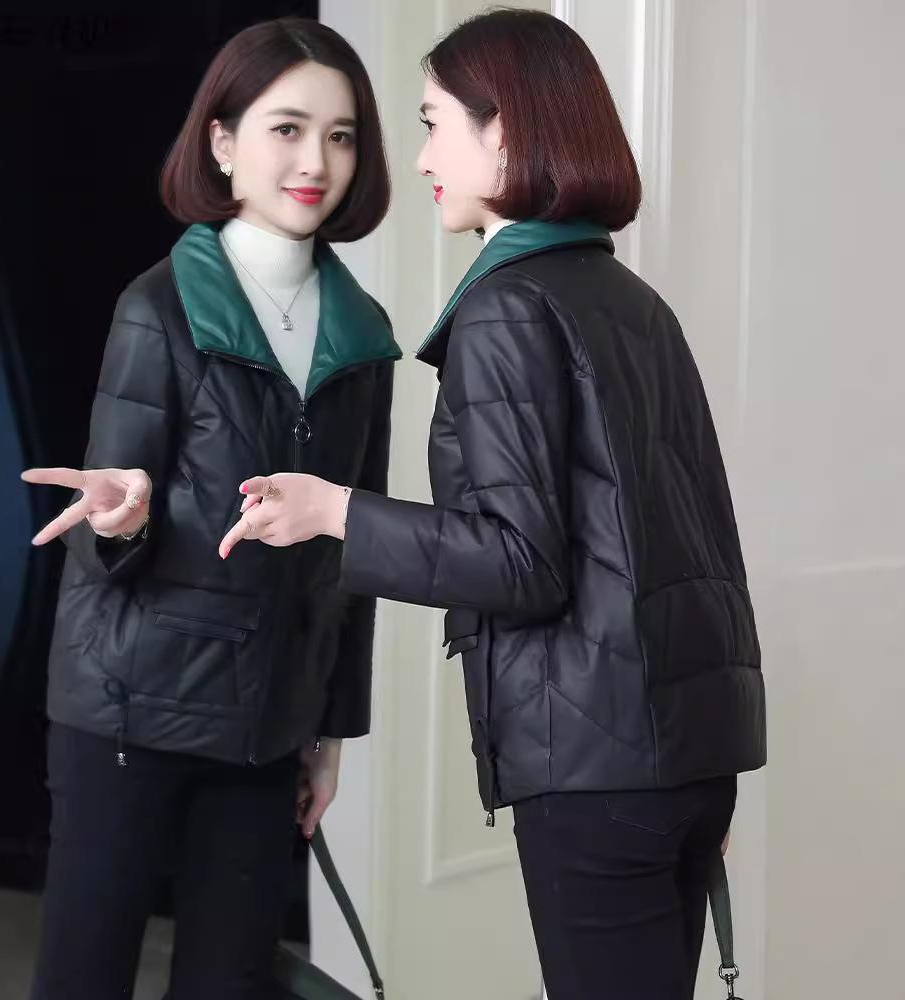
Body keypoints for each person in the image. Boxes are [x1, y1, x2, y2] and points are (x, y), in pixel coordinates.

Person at [219, 10, 766, 999]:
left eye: (435, 124)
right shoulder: (632, 302)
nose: (423, 156)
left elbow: (522, 562)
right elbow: (701, 542)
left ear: (503, 128)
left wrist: (336, 511)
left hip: (597, 768)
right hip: (686, 756)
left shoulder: (507, 307)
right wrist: (702, 761)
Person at [20, 18, 398, 999]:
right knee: (83, 979)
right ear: (223, 142)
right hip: (127, 711)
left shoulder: (365, 335)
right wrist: (125, 519)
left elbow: (352, 547)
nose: (316, 162)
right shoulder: (158, 307)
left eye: (341, 135)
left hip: (267, 726)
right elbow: (108, 524)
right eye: (287, 129)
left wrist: (330, 732)